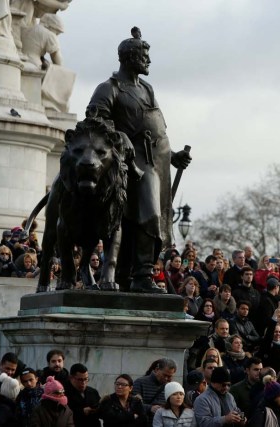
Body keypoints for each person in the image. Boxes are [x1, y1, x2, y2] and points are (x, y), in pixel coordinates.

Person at [88, 26, 191, 293]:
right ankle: (142, 275)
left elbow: (156, 130)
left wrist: (173, 156)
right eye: (144, 55)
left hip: (156, 162)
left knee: (147, 219)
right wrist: (121, 137)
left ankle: (132, 273)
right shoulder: (109, 89)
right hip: (128, 164)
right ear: (128, 57)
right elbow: (94, 123)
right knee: (148, 216)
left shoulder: (147, 88)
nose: (148, 60)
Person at [132, 358, 176, 424]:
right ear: (156, 370)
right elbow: (131, 404)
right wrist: (150, 408)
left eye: (170, 376)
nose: (166, 378)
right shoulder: (140, 382)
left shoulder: (172, 386)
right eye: (164, 375)